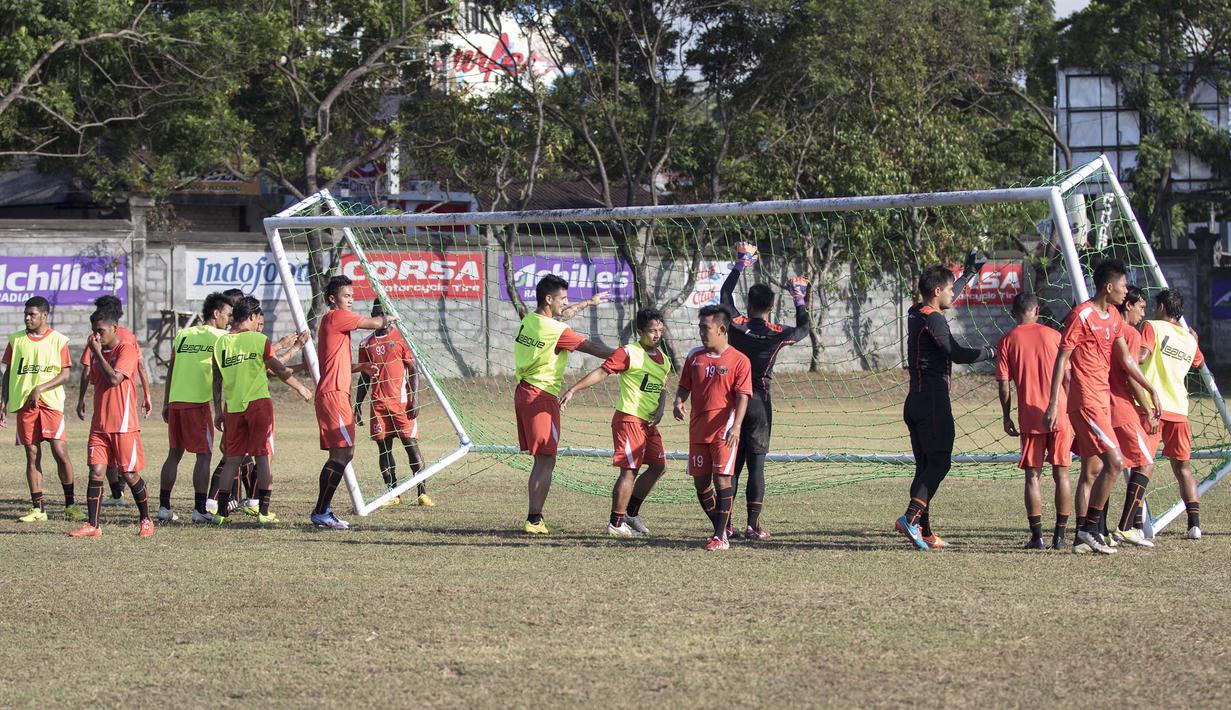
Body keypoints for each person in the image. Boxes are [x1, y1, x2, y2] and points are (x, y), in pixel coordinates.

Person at [1042, 259, 1160, 555]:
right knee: (1116, 463)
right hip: (1086, 401)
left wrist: (1150, 388)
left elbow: (1127, 360)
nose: (1125, 293)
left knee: (1094, 467)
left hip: (1103, 401)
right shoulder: (1081, 316)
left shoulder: (1114, 320)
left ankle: (1086, 533)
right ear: (1109, 287)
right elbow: (1062, 359)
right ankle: (1089, 530)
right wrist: (1054, 402)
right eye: (1122, 287)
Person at [895, 262, 995, 551]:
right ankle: (910, 519)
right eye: (950, 289)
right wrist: (992, 351)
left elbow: (948, 294)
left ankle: (924, 531)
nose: (954, 293)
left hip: (914, 401)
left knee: (925, 466)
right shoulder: (935, 321)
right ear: (937, 291)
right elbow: (957, 354)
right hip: (933, 402)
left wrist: (967, 276)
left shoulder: (917, 311)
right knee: (940, 463)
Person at [718, 241, 809, 540]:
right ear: (770, 307)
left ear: (748, 304)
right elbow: (803, 330)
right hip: (760, 402)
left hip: (734, 402)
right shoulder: (777, 333)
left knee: (732, 465)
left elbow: (723, 295)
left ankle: (726, 524)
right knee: (757, 464)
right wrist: (799, 297)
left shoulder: (736, 324)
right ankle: (753, 525)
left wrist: (742, 263)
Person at [513, 275, 614, 534]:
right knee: (546, 459)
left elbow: (561, 317)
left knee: (542, 459)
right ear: (549, 299)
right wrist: (627, 354)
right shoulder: (557, 332)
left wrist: (588, 302)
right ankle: (534, 520)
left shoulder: (530, 320)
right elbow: (592, 347)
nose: (566, 303)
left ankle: (535, 518)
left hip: (524, 392)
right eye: (563, 299)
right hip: (541, 396)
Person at [561, 308, 671, 537]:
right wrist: (573, 389)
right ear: (640, 331)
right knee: (629, 471)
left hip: (648, 424)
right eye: (652, 331)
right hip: (629, 419)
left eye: (660, 330)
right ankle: (616, 523)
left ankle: (631, 512)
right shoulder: (628, 352)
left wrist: (660, 409)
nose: (657, 335)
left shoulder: (664, 360)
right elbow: (602, 372)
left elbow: (662, 388)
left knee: (659, 466)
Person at [211, 296, 313, 525]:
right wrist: (300, 388)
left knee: (231, 461)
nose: (259, 322)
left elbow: (216, 380)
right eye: (258, 317)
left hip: (233, 408)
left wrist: (218, 410)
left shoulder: (221, 344)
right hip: (258, 405)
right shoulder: (258, 340)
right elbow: (277, 368)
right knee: (264, 457)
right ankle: (264, 512)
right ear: (251, 317)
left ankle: (221, 513)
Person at [310, 275, 400, 530]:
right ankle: (320, 512)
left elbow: (335, 363)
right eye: (346, 296)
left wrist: (359, 366)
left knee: (340, 453)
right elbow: (374, 322)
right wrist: (391, 317)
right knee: (344, 453)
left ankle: (322, 511)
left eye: (352, 296)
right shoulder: (337, 316)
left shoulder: (333, 323)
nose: (351, 300)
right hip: (334, 395)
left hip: (334, 393)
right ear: (333, 299)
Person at [996, 293, 1073, 550]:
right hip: (1059, 413)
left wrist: (1006, 415)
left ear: (1013, 312)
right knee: (1062, 474)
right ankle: (1060, 536)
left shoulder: (1007, 341)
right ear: (1037, 310)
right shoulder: (1055, 336)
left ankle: (1037, 536)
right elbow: (1068, 378)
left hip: (1030, 416)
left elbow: (1004, 385)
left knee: (1033, 477)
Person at [69, 309, 154, 538]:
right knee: (96, 471)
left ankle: (146, 519)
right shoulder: (98, 351)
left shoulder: (125, 348)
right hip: (100, 425)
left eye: (101, 331)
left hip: (124, 424)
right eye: (94, 331)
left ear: (115, 328)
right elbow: (95, 379)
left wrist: (96, 352)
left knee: (129, 474)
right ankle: (93, 525)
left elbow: (115, 379)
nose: (97, 335)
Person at [673, 305, 752, 551]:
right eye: (699, 328)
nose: (701, 333)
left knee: (722, 479)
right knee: (700, 483)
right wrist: (678, 401)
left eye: (705, 328)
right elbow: (685, 385)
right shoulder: (694, 357)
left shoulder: (739, 360)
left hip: (724, 430)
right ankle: (724, 525)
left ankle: (720, 536)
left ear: (721, 329)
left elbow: (742, 396)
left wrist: (737, 426)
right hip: (697, 430)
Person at [1, 296, 83, 522]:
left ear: (44, 316)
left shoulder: (58, 340)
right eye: (26, 314)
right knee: (32, 455)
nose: (28, 318)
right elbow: (8, 372)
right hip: (25, 406)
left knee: (60, 452)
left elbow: (65, 374)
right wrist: (4, 401)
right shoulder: (16, 339)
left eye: (32, 314)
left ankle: (70, 505)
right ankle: (38, 509)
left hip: (51, 405)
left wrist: (40, 388)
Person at [157, 292, 233, 523]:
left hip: (177, 401)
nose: (229, 320)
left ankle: (163, 507)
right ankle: (200, 509)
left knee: (174, 454)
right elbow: (223, 373)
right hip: (197, 403)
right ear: (216, 313)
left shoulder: (183, 334)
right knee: (204, 455)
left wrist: (166, 402)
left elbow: (171, 368)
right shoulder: (221, 336)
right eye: (227, 315)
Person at [1140, 289, 1207, 540]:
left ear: (1161, 308)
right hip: (1180, 408)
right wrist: (1193, 340)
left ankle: (1136, 524)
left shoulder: (1152, 326)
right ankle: (1194, 524)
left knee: (1143, 464)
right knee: (1183, 468)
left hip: (1152, 407)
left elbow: (1143, 354)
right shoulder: (1189, 339)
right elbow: (1198, 362)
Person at [354, 302, 433, 507]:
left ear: (387, 315)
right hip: (378, 405)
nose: (376, 317)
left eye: (379, 314)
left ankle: (422, 492)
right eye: (373, 314)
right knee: (384, 449)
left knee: (411, 445)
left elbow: (413, 369)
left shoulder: (400, 338)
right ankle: (393, 493)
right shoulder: (365, 343)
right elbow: (364, 376)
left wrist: (414, 398)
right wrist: (358, 403)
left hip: (401, 404)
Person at [1107, 286, 1157, 547]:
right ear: (1128, 305)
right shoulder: (1129, 333)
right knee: (1146, 462)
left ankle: (1095, 527)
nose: (1143, 312)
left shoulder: (1107, 329)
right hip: (1122, 407)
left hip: (1101, 405)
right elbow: (1130, 373)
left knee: (1103, 468)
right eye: (1141, 306)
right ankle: (1126, 526)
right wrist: (1148, 406)